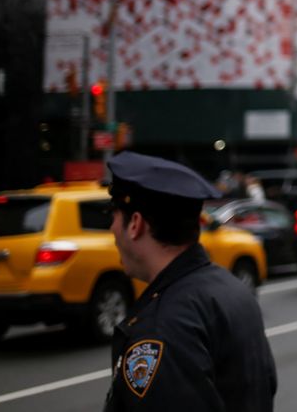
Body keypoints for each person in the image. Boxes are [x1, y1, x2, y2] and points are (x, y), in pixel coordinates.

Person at [104, 151, 277, 411]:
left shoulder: (161, 326)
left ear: (135, 224)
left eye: (114, 216)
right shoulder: (232, 289)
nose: (111, 229)